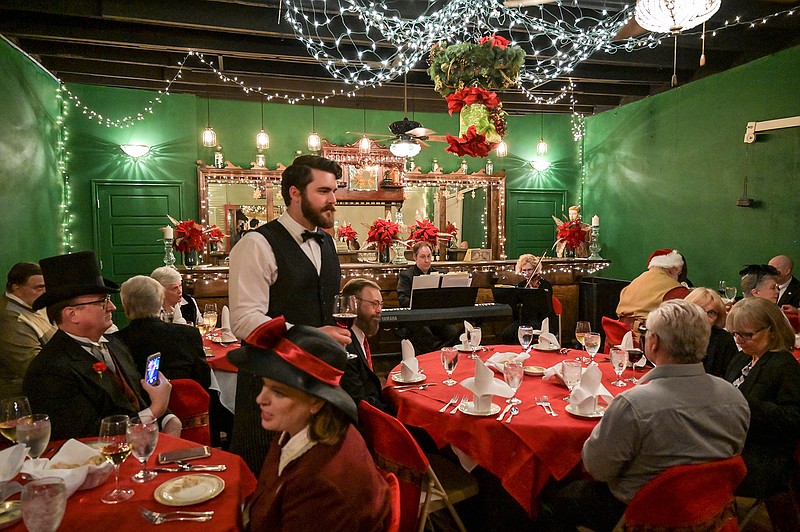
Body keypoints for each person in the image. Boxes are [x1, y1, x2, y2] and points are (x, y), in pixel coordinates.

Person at [542, 300, 749, 531]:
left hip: (641, 515)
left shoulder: (634, 405)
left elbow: (596, 469)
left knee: (556, 495)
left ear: (654, 342)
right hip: (711, 514)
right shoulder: (735, 398)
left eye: (646, 332)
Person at [228, 154, 350, 474]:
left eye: (334, 191)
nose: (333, 200)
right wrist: (311, 336)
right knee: (264, 473)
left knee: (310, 473)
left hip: (315, 383)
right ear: (295, 193)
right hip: (269, 384)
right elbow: (243, 321)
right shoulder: (256, 244)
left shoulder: (326, 241)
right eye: (323, 191)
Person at [229, 318, 391, 531]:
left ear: (316, 401)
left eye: (278, 392)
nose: (260, 399)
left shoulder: (320, 484)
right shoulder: (298, 427)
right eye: (264, 385)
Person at [23, 251, 181, 440]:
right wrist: (156, 410)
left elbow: (137, 396)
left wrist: (169, 419)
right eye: (102, 302)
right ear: (72, 314)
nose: (112, 307)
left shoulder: (114, 344)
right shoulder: (49, 369)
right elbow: (88, 435)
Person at [115, 275, 231, 447]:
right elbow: (204, 380)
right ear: (160, 301)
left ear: (125, 306)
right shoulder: (188, 334)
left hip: (142, 423)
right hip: (192, 415)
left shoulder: (116, 342)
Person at [724, 297, 800, 499]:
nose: (739, 340)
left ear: (772, 331)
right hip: (733, 443)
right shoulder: (742, 358)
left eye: (747, 334)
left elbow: (793, 419)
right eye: (735, 334)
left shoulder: (785, 366)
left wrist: (746, 404)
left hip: (761, 456)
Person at [0, 262, 56, 399]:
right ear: (17, 289)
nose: (45, 292)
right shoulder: (11, 320)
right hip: (22, 398)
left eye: (46, 287)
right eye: (39, 288)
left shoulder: (34, 303)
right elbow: (34, 370)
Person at [396, 241, 459, 354]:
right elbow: (403, 299)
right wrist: (417, 302)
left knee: (453, 334)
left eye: (429, 256)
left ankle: (442, 357)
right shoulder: (406, 275)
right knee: (426, 336)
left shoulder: (439, 274)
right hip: (416, 319)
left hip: (436, 317)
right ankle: (433, 358)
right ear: (415, 257)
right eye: (423, 257)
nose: (427, 260)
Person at [340, 278, 390, 413]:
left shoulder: (360, 338)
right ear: (354, 304)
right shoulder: (345, 345)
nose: (379, 310)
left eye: (381, 304)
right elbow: (358, 402)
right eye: (374, 304)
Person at [616, 249, 690, 329]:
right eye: (678, 273)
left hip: (619, 333)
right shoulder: (676, 289)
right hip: (646, 335)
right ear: (674, 269)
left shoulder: (636, 281)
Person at [500, 254, 556, 344]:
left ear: (536, 269)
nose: (527, 273)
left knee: (521, 333)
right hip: (525, 319)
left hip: (543, 319)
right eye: (524, 270)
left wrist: (534, 292)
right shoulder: (521, 285)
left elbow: (546, 308)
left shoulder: (545, 285)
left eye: (530, 270)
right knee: (507, 333)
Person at [685, 288, 738, 377]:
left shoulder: (723, 340)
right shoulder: (676, 335)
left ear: (718, 318)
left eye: (711, 313)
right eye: (699, 310)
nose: (704, 317)